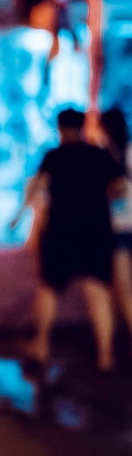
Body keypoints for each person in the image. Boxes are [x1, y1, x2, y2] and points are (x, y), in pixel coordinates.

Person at [11, 108, 123, 374]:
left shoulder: (54, 156)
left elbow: (37, 187)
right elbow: (119, 187)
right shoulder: (100, 155)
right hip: (95, 232)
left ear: (60, 128)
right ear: (83, 127)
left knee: (49, 290)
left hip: (60, 232)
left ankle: (41, 346)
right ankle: (106, 357)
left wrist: (18, 217)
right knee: (97, 292)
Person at [100, 107, 132, 345]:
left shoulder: (108, 155)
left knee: (123, 291)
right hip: (121, 229)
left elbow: (115, 189)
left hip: (119, 229)